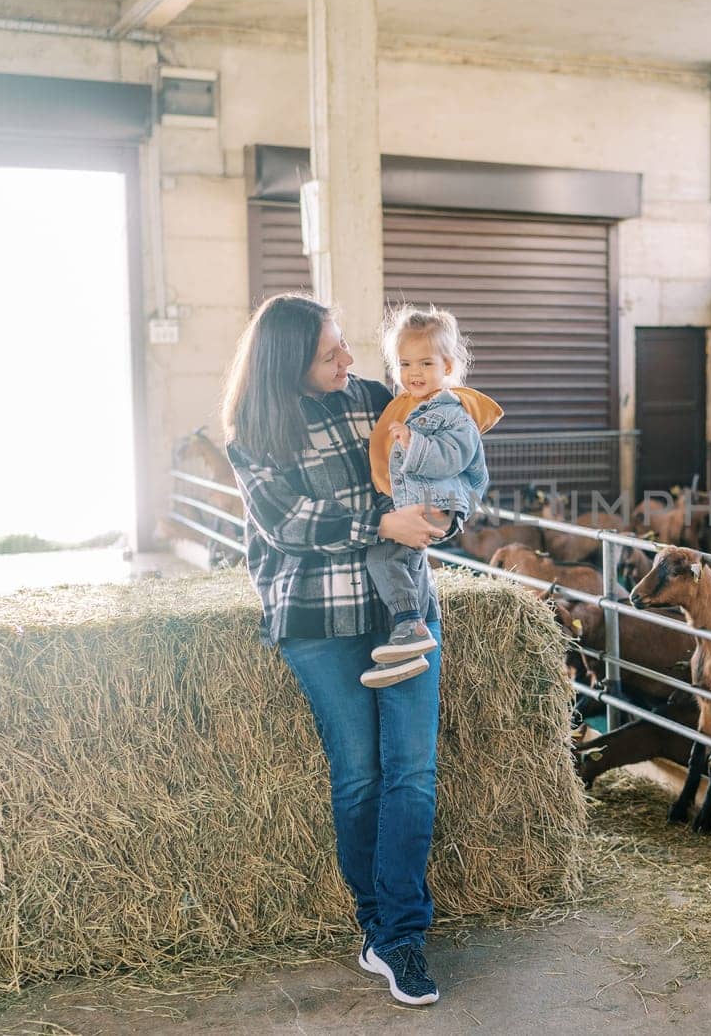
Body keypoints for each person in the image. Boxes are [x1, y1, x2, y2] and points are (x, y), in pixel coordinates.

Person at [221, 292, 447, 1007]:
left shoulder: (376, 397)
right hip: (318, 621)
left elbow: (435, 464)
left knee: (412, 771)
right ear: (289, 362)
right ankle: (376, 925)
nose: (350, 358)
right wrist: (387, 521)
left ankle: (400, 938)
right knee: (360, 778)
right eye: (331, 352)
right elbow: (291, 523)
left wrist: (444, 501)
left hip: (402, 610)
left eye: (345, 343)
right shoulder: (252, 433)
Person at [362, 305, 502, 684]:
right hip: (418, 499)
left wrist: (415, 443)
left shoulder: (452, 410)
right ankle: (406, 651)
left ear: (448, 366)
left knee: (383, 556)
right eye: (405, 364)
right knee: (402, 559)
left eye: (425, 363)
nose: (414, 373)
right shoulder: (407, 406)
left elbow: (454, 456)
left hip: (439, 501)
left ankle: (410, 625)